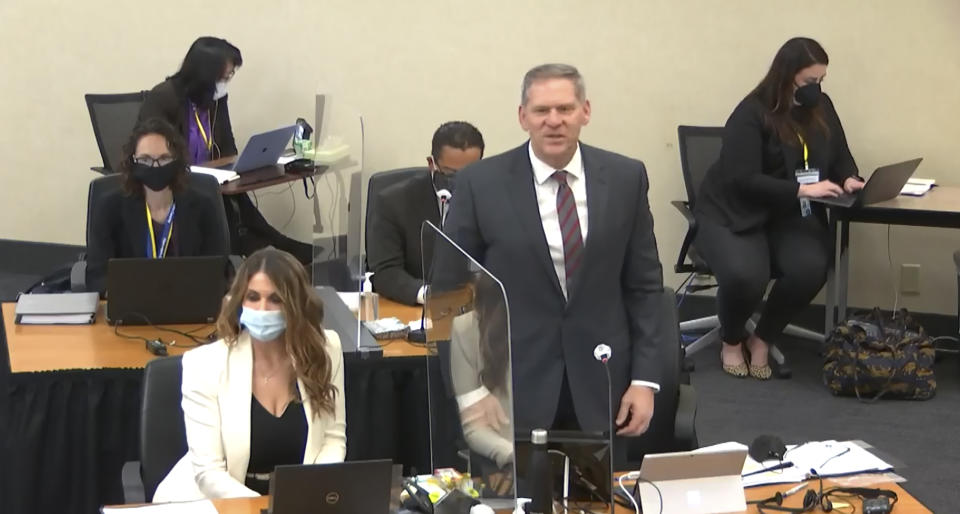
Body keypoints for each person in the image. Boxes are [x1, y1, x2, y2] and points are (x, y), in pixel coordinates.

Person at [443, 64, 665, 451]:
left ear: (586, 112)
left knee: (599, 504)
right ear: (522, 117)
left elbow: (644, 287)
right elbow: (450, 293)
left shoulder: (626, 178)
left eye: (565, 109)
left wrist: (645, 381)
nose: (554, 121)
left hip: (604, 384)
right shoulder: (480, 184)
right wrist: (470, 391)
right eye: (542, 111)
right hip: (511, 386)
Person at [695, 37, 862, 380]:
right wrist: (803, 188)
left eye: (820, 81)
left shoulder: (821, 108)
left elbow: (840, 153)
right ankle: (730, 339)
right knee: (746, 276)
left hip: (786, 213)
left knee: (811, 267)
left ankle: (762, 338)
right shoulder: (751, 112)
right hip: (734, 212)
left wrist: (849, 178)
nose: (816, 89)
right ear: (786, 76)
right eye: (809, 82)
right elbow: (741, 179)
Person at [152, 247, 345, 502]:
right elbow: (209, 474)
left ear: (296, 305)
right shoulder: (204, 364)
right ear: (239, 300)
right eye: (253, 297)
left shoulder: (326, 350)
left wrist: (308, 496)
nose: (262, 309)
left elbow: (332, 439)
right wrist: (265, 509)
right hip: (221, 502)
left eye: (275, 299)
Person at [139, 36, 312, 264]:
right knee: (233, 209)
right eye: (225, 76)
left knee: (236, 199)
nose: (226, 82)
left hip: (212, 177)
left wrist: (232, 166)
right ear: (205, 74)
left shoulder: (214, 98)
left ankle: (270, 245)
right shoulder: (164, 98)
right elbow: (152, 153)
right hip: (172, 180)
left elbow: (227, 146)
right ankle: (273, 244)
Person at [85, 118, 228, 294]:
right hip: (132, 310)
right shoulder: (110, 207)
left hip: (189, 307)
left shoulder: (203, 206)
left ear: (177, 161)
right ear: (132, 162)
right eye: (145, 159)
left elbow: (219, 272)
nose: (155, 166)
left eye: (164, 158)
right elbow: (97, 276)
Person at [367, 121, 484, 305]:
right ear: (432, 164)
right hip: (418, 309)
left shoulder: (492, 199)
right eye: (451, 174)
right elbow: (385, 271)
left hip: (477, 308)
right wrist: (429, 295)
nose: (460, 183)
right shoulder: (393, 202)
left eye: (469, 174)